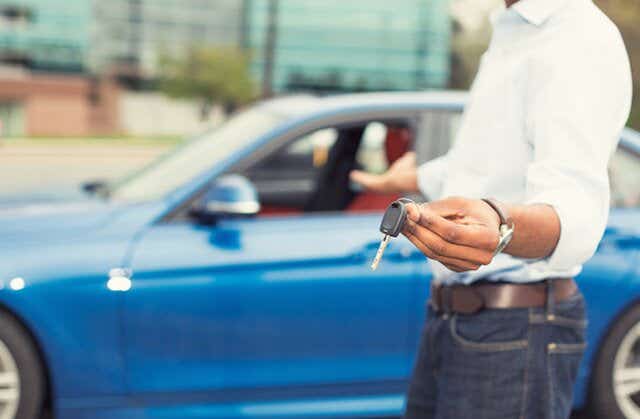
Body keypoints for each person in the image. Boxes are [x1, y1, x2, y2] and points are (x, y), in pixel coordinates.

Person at [350, 0, 632, 418]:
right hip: (453, 319)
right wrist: (419, 178)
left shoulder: (577, 37)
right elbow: (491, 164)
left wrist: (503, 226)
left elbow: (576, 208)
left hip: (517, 326)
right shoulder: (511, 30)